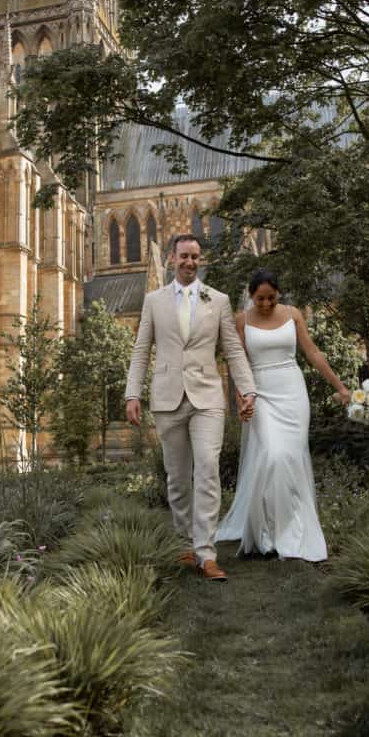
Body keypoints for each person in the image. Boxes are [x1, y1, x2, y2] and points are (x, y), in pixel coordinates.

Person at [125, 234, 257, 581]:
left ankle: (206, 552)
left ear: (200, 261)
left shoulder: (218, 300)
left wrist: (247, 390)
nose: (189, 262)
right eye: (184, 256)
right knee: (178, 477)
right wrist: (131, 394)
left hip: (207, 397)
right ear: (172, 258)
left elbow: (232, 347)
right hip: (168, 397)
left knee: (209, 468)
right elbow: (141, 349)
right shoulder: (154, 301)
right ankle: (185, 543)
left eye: (195, 257)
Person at [216, 268, 351, 561]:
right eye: (260, 299)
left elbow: (313, 353)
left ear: (279, 294)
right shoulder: (242, 321)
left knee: (291, 458)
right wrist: (243, 399)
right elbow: (238, 366)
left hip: (293, 392)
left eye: (271, 298)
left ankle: (289, 528)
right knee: (272, 456)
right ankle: (264, 533)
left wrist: (340, 386)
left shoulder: (293, 315)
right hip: (261, 393)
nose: (265, 304)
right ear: (251, 296)